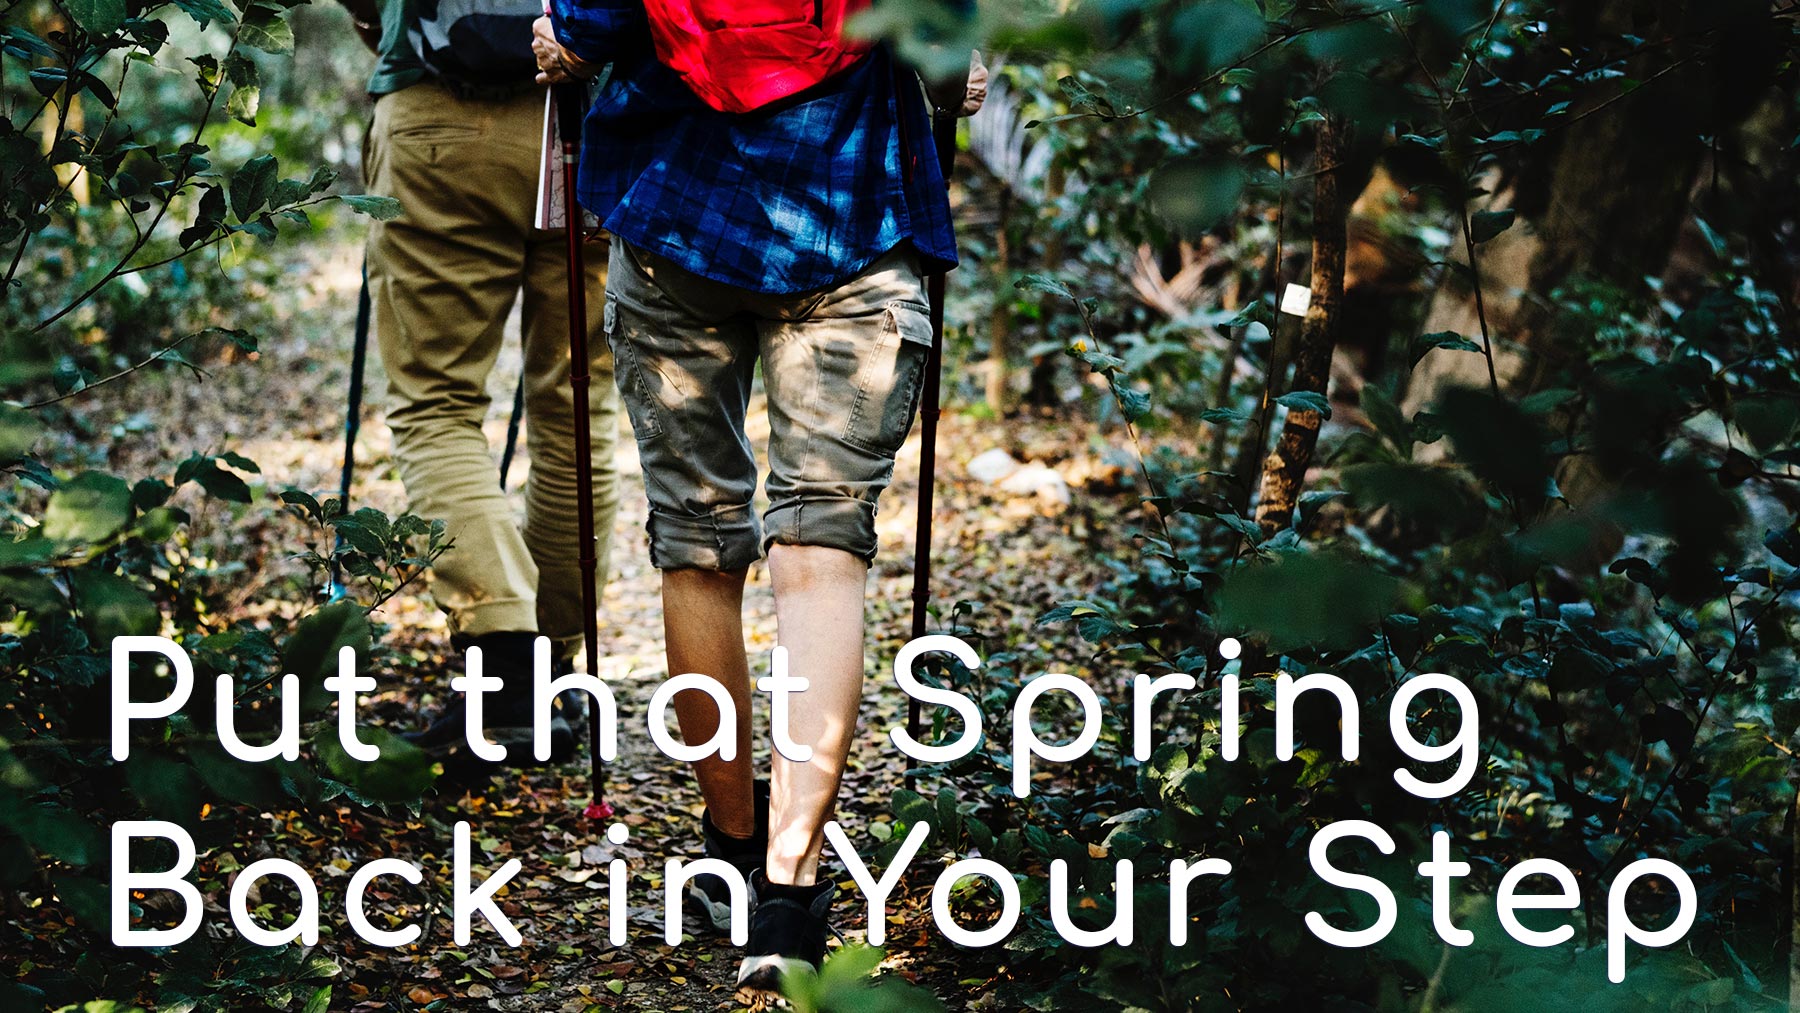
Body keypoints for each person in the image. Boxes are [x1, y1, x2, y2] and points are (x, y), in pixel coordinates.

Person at [532, 1, 985, 989]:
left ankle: (728, 846)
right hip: (856, 220)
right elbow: (949, 54)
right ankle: (790, 887)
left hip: (678, 218)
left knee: (698, 540)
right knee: (821, 554)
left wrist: (560, 39)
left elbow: (584, 28)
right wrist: (957, 80)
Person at [335, 0, 621, 768]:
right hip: (592, 117)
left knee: (436, 402)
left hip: (439, 120)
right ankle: (550, 674)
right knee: (578, 400)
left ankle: (505, 661)